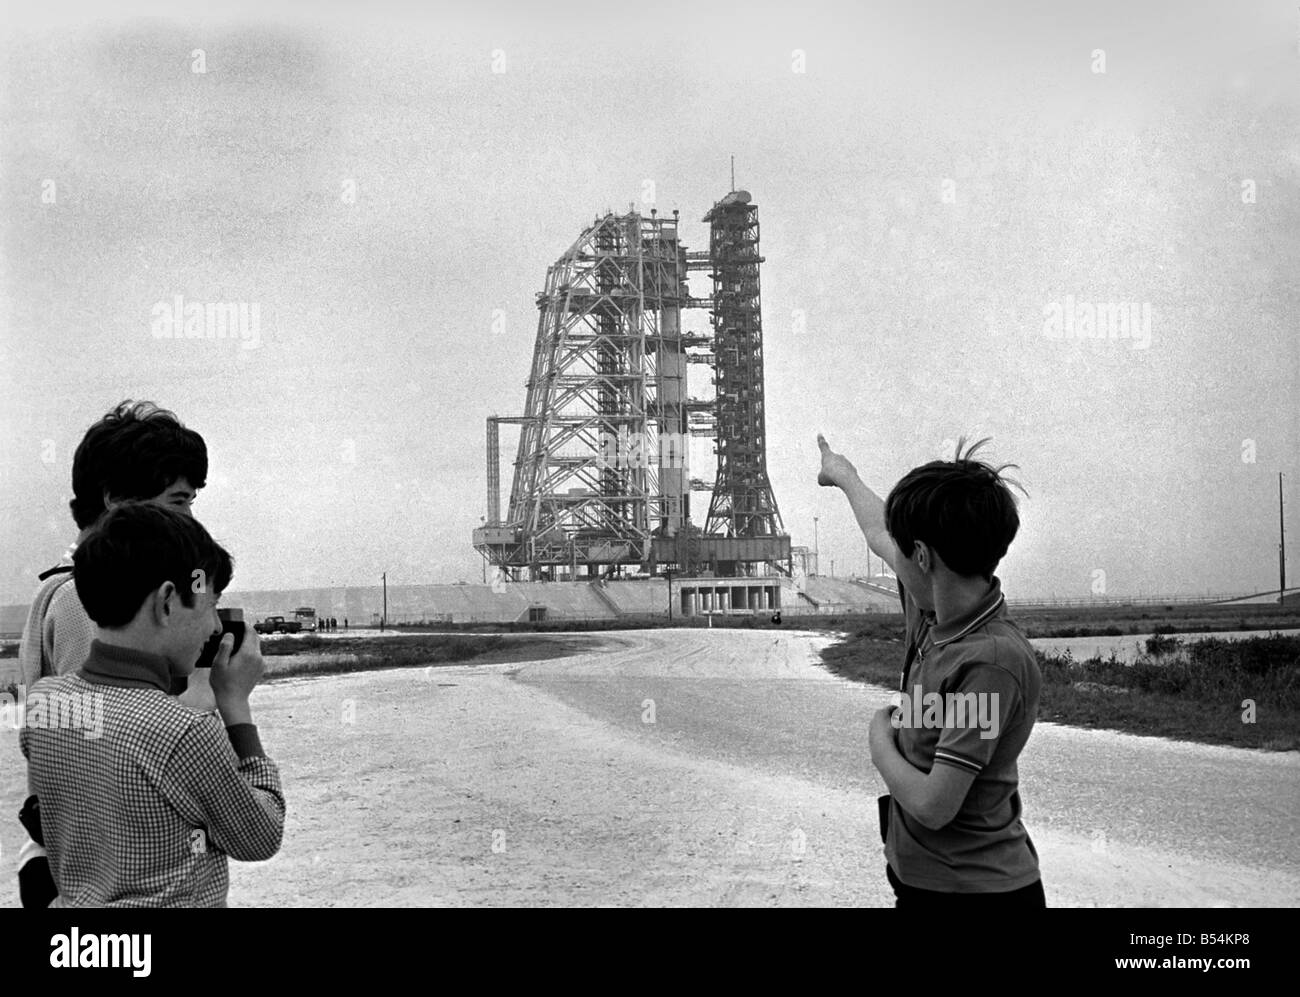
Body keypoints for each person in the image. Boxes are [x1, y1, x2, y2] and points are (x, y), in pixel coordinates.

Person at [19, 502, 284, 907]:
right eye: (210, 605)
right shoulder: (187, 732)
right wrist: (235, 706)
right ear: (166, 603)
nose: (215, 626)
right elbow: (259, 836)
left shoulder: (44, 705)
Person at [817, 433, 1044, 907]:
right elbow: (879, 532)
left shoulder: (988, 662)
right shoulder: (933, 614)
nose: (893, 557)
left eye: (905, 552)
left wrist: (880, 736)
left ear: (922, 555)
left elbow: (933, 805)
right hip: (924, 884)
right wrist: (843, 475)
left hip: (974, 893)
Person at [12, 400, 216, 907]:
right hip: (108, 879)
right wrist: (213, 692)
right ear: (113, 502)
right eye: (177, 503)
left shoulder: (55, 592)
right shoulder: (93, 602)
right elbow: (116, 742)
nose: (190, 522)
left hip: (66, 862)